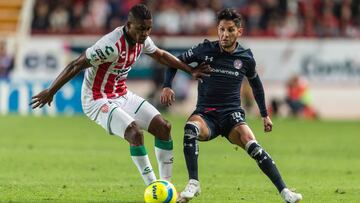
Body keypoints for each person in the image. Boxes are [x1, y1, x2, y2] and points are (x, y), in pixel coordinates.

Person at [31, 4, 210, 186]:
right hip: (96, 98)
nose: (146, 33)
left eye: (149, 28)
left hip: (121, 94)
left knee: (163, 127)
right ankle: (153, 187)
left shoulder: (142, 39)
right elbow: (75, 65)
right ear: (129, 24)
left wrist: (190, 70)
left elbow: (161, 55)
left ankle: (166, 185)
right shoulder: (110, 46)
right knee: (134, 133)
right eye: (141, 29)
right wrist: (51, 90)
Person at [161, 8, 303, 203]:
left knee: (253, 145)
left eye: (229, 30)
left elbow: (256, 85)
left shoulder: (245, 57)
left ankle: (285, 192)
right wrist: (168, 86)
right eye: (221, 29)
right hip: (206, 114)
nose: (224, 34)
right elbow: (173, 62)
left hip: (232, 115)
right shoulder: (204, 49)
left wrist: (264, 114)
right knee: (190, 129)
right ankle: (193, 183)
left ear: (239, 32)